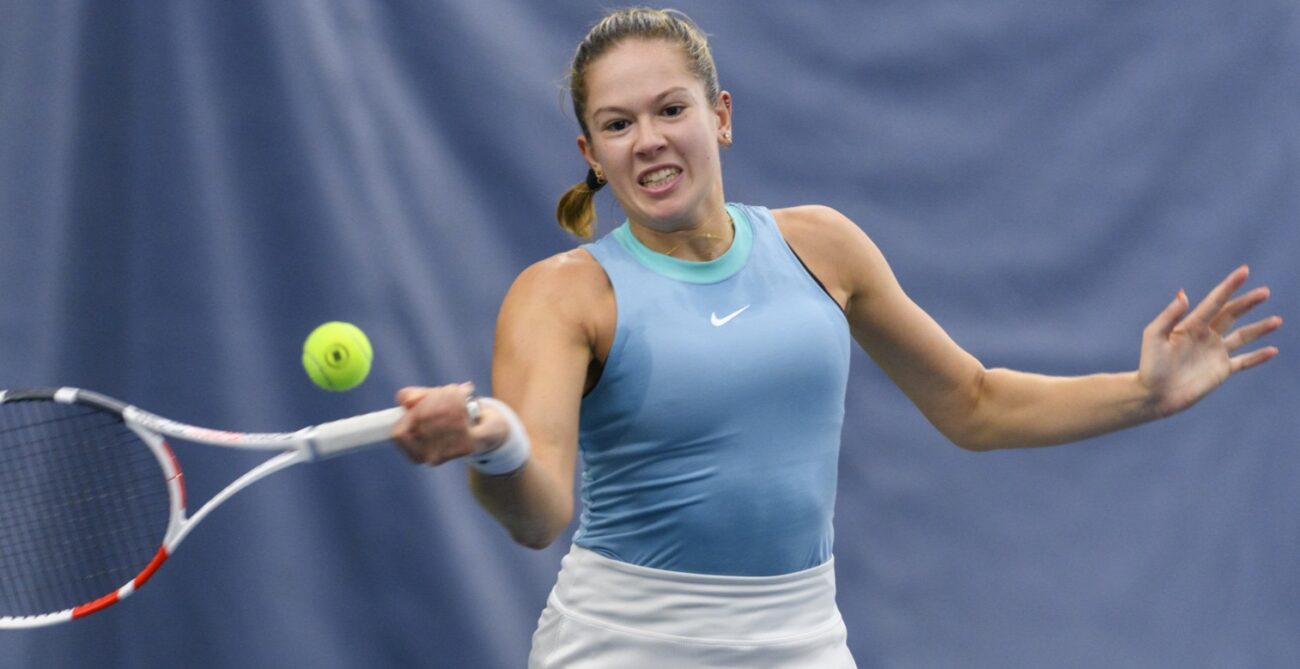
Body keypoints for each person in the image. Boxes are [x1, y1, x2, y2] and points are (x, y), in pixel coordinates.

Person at [389, 7, 1282, 668]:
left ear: (721, 115)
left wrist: (1145, 391)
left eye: (671, 110)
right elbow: (539, 512)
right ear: (591, 153)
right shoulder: (560, 295)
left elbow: (972, 402)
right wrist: (492, 440)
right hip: (626, 642)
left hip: (803, 637)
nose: (649, 141)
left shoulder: (821, 244)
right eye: (618, 125)